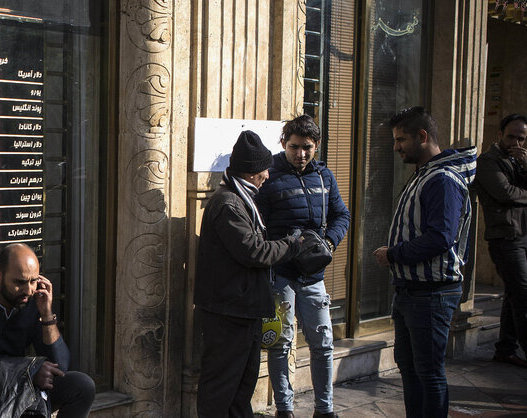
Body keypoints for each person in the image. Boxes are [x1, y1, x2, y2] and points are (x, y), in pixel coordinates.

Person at [373, 107, 476, 418]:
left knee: (429, 373)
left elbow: (440, 238)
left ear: (423, 136)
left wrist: (393, 254)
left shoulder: (442, 179)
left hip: (431, 293)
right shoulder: (425, 175)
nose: (396, 147)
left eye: (400, 139)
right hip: (410, 290)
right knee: (410, 366)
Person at [194, 130, 302, 418]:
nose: (267, 175)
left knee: (241, 390)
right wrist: (292, 245)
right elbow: (254, 251)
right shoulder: (228, 203)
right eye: (264, 169)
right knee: (221, 390)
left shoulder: (241, 199)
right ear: (252, 172)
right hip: (229, 314)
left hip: (243, 311)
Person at [255, 115, 350, 418]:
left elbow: (342, 215)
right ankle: (285, 409)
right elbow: (257, 224)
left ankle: (325, 410)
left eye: (307, 147)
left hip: (313, 277)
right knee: (280, 345)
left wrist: (329, 244)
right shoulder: (268, 176)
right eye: (294, 147)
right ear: (283, 143)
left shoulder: (325, 176)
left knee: (323, 343)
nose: (301, 154)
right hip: (280, 275)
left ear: (316, 146)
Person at [0, 243, 95, 417]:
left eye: (34, 281)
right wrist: (27, 374)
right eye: (19, 282)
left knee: (82, 386)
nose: (28, 290)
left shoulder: (32, 301)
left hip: (19, 388)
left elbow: (61, 368)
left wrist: (46, 315)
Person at [474, 113, 527, 368]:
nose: (516, 143)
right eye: (511, 137)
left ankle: (505, 348)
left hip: (522, 235)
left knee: (513, 294)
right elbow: (505, 193)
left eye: (521, 138)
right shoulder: (487, 161)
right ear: (499, 135)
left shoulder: (519, 162)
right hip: (504, 238)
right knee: (523, 295)